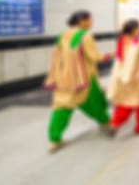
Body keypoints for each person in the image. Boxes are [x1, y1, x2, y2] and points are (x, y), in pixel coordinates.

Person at [44, 10, 113, 152]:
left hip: (63, 77)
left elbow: (57, 56)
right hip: (84, 77)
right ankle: (105, 121)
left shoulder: (62, 35)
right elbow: (94, 57)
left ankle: (54, 140)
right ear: (82, 21)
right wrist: (111, 54)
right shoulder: (85, 36)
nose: (91, 22)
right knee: (93, 101)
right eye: (90, 19)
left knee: (62, 107)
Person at [108, 19, 139, 134]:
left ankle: (115, 122)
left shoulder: (122, 40)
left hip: (124, 76)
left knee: (126, 100)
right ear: (135, 29)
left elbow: (120, 56)